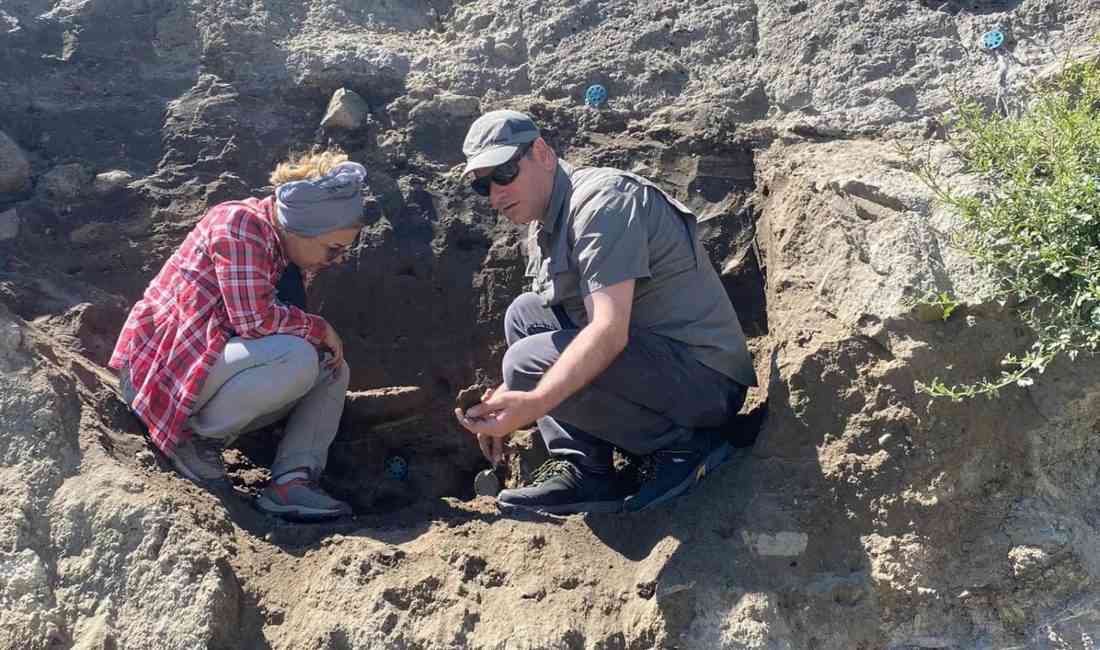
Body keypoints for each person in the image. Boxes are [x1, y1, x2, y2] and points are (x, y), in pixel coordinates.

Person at [455, 110, 758, 514]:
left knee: (526, 364)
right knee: (524, 317)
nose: (495, 194)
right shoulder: (544, 222)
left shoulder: (602, 202)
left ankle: (682, 446)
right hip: (654, 363)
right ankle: (586, 468)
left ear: (542, 153)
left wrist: (535, 399)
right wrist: (509, 400)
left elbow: (609, 331)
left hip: (704, 379)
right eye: (482, 185)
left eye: (505, 172)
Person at [110, 150, 367, 521]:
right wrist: (320, 328)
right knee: (297, 356)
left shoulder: (283, 250)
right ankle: (194, 442)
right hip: (160, 375)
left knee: (332, 368)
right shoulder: (241, 224)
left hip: (203, 368)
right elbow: (255, 321)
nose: (338, 260)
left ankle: (290, 483)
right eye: (334, 249)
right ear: (302, 228)